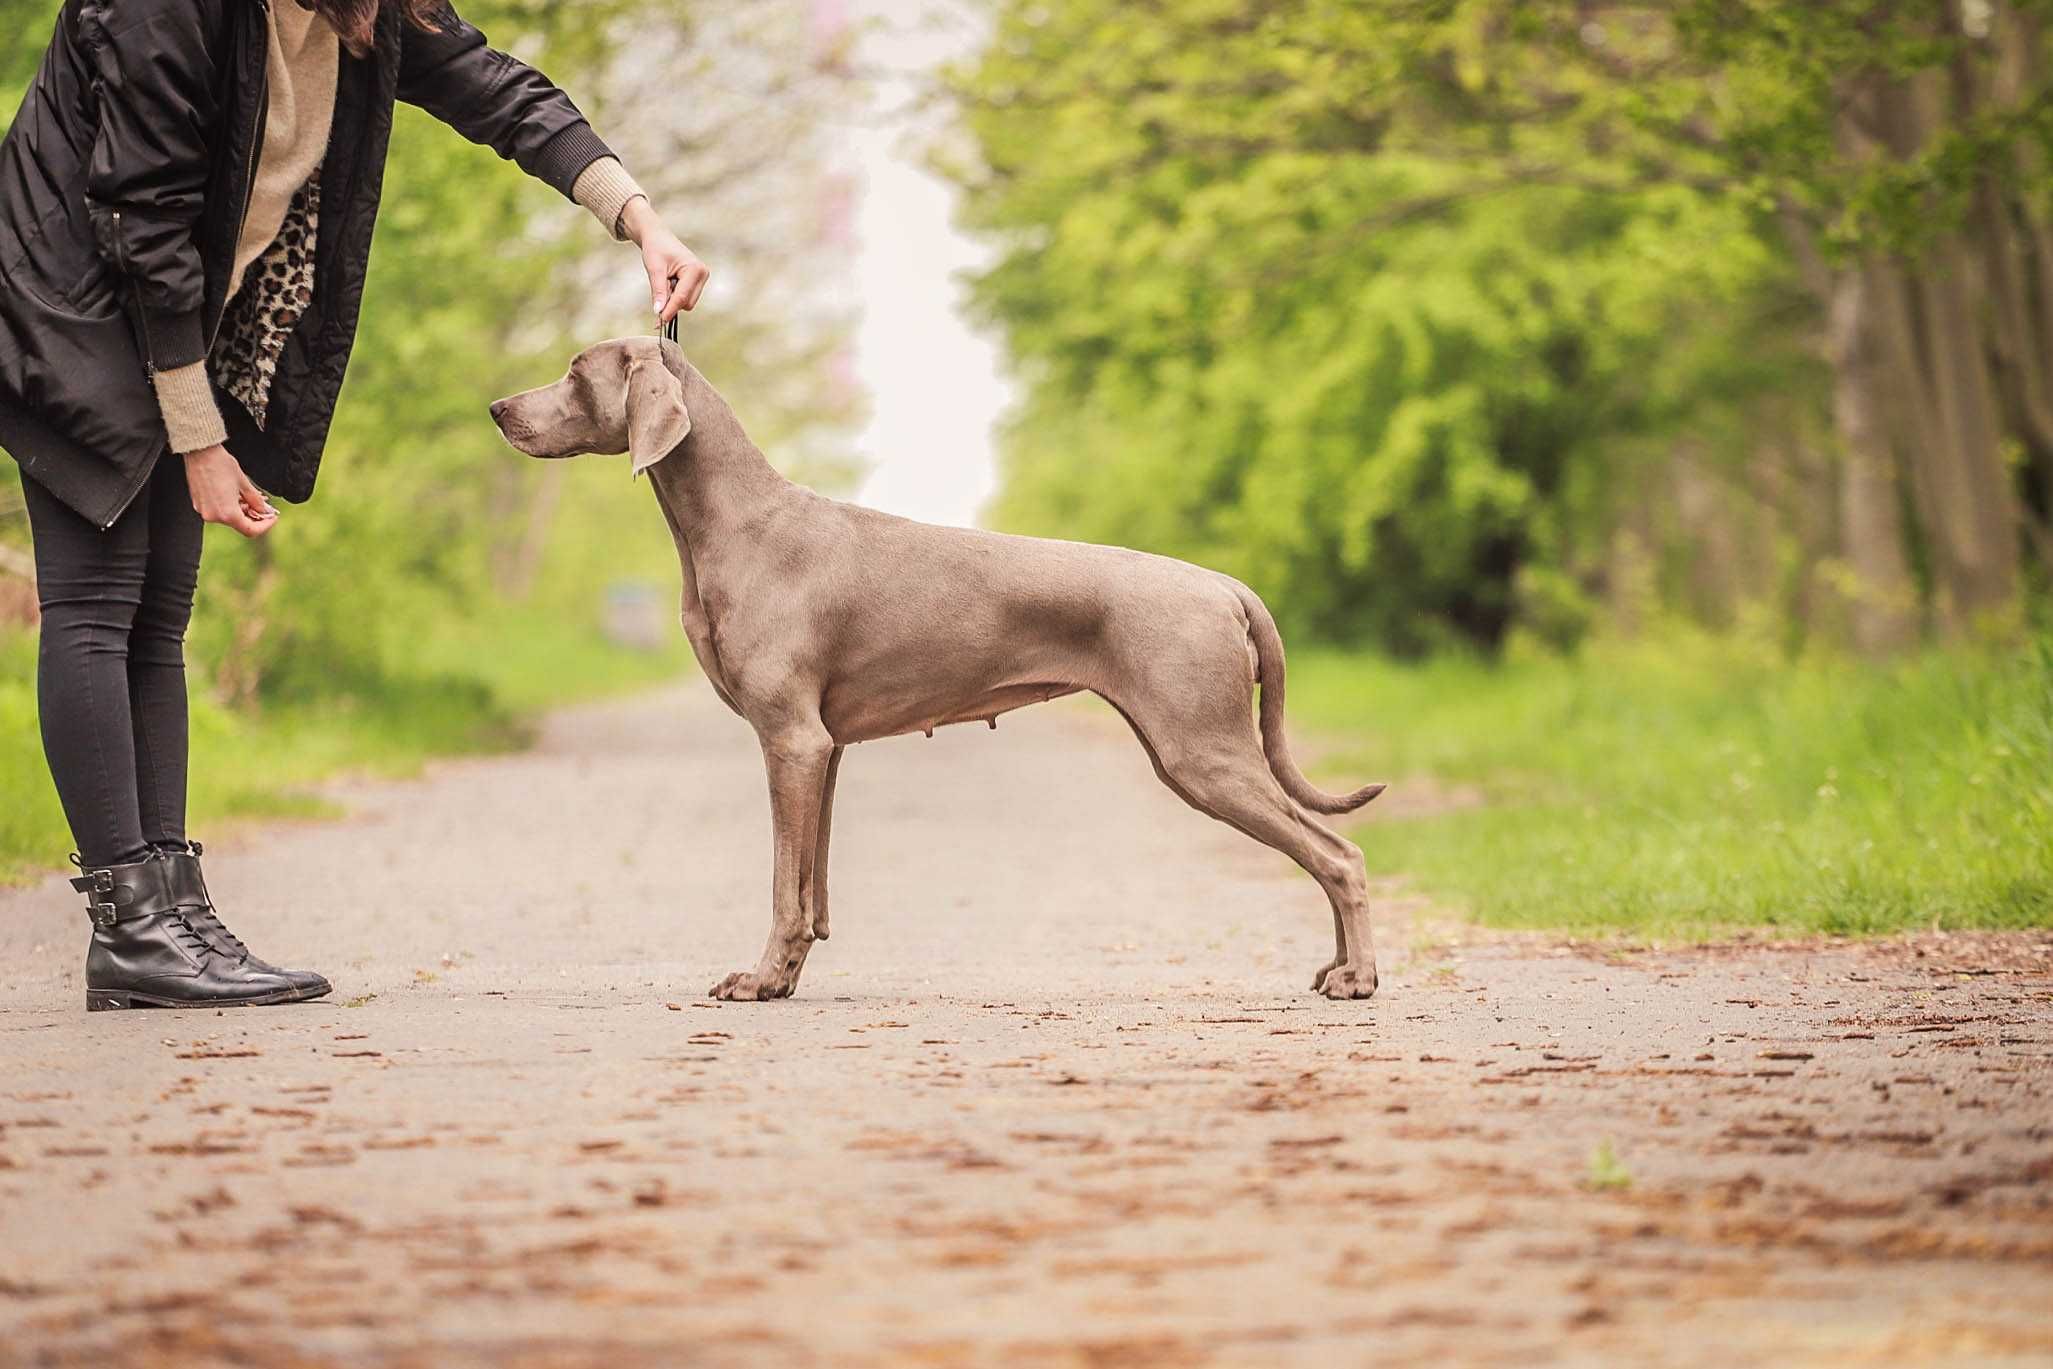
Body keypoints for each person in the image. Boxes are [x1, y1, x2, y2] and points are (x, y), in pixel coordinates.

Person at [0, 0, 710, 1010]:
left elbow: (495, 89)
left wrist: (639, 218)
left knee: (158, 612)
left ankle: (173, 912)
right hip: (67, 290)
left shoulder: (362, 11)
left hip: (170, 301)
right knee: (98, 599)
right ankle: (131, 925)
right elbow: (141, 219)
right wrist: (199, 441)